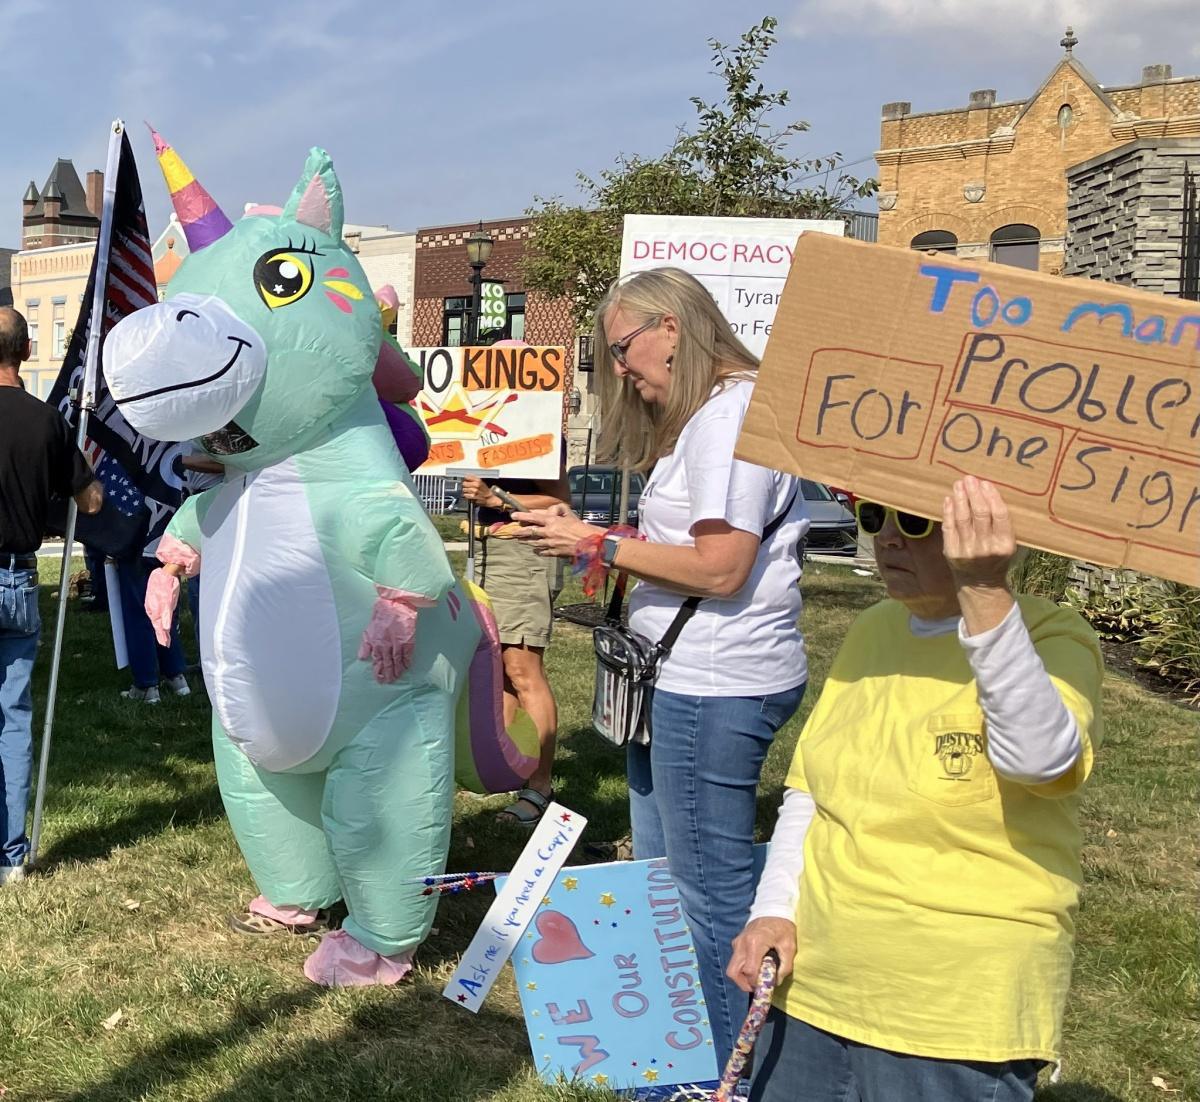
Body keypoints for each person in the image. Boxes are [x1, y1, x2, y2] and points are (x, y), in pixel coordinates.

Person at [512, 267, 809, 1070]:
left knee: (705, 894)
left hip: (713, 687)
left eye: (621, 348)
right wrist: (598, 530)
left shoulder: (730, 416)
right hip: (680, 682)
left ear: (670, 328)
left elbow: (719, 567)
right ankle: (684, 1052)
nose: (620, 370)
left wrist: (597, 544)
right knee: (662, 875)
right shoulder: (716, 415)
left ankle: (728, 1071)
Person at [727, 477, 1104, 1102]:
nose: (891, 538)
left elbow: (1041, 763)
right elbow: (811, 792)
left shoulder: (1052, 636)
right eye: (877, 516)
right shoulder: (875, 627)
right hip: (818, 979)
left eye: (919, 522)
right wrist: (772, 910)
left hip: (951, 1007)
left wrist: (982, 592)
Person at [0, 307, 102, 883]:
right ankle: (10, 856)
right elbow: (90, 502)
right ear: (27, 350)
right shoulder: (48, 423)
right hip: (17, 579)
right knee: (12, 718)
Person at [460, 454, 568, 826]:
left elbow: (560, 500)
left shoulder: (536, 414)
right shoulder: (491, 416)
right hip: (491, 549)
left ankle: (539, 787)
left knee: (523, 670)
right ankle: (510, 769)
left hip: (524, 551)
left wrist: (494, 499)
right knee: (499, 670)